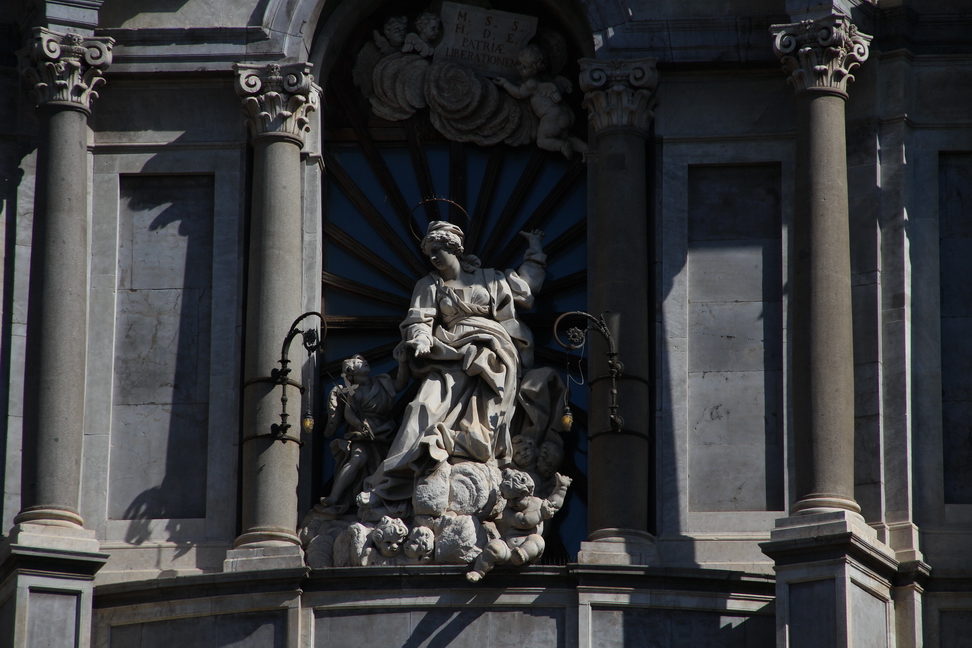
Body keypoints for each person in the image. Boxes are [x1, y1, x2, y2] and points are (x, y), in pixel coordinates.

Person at [359, 221, 546, 516]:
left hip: (493, 354)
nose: (433, 257)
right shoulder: (429, 284)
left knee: (482, 422)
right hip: (446, 353)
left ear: (454, 248)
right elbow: (418, 319)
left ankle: (465, 452)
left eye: (438, 250)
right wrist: (420, 339)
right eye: (429, 252)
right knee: (421, 406)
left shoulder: (489, 278)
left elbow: (526, 286)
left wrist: (535, 251)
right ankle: (392, 480)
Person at [320, 354, 410, 515]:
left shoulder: (382, 381)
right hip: (362, 431)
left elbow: (400, 384)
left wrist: (402, 363)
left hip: (385, 429)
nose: (364, 362)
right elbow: (349, 414)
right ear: (351, 372)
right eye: (358, 362)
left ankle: (386, 495)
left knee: (388, 461)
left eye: (363, 360)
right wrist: (360, 424)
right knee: (357, 458)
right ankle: (334, 496)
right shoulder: (354, 392)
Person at [494, 44, 586, 158]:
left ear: (535, 69)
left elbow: (518, 93)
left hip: (552, 116)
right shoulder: (546, 79)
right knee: (563, 136)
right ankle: (584, 148)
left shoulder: (531, 83)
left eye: (525, 67)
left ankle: (561, 146)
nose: (520, 69)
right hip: (567, 114)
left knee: (542, 141)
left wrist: (505, 84)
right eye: (520, 64)